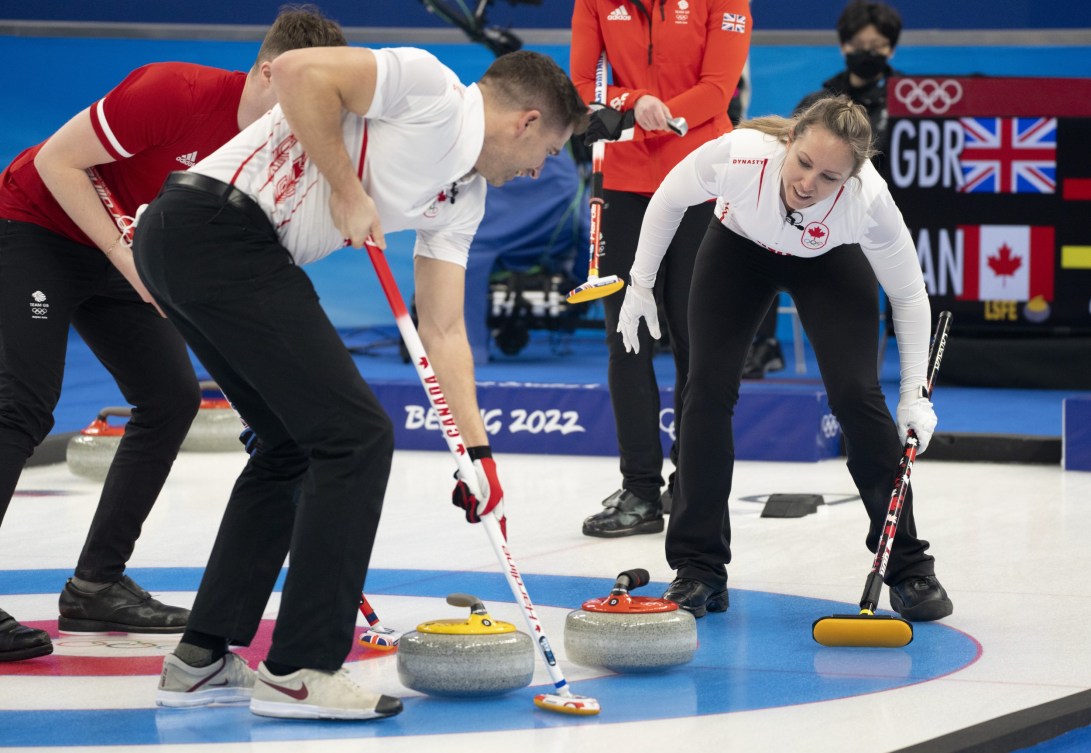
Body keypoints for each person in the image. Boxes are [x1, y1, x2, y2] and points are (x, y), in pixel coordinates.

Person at [135, 46, 585, 719]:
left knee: (291, 444)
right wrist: (349, 192)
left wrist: (478, 452)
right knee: (357, 437)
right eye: (549, 150)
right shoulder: (430, 88)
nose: (538, 169)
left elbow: (443, 329)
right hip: (210, 227)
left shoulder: (465, 195)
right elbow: (295, 73)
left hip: (203, 248)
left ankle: (200, 657)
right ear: (525, 121)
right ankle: (300, 670)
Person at [0, 5, 346, 663]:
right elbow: (56, 164)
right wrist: (130, 260)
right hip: (35, 226)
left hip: (125, 250)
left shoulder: (275, 148)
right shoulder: (172, 90)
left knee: (170, 398)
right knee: (22, 404)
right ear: (270, 72)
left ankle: (96, 583)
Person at [615, 95, 952, 622]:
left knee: (858, 398)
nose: (808, 184)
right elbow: (667, 199)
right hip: (739, 250)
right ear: (789, 142)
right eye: (804, 163)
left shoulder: (867, 201)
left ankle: (910, 568)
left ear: (851, 178)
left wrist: (915, 395)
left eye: (829, 178)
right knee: (705, 391)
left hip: (828, 261)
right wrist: (640, 284)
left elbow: (909, 296)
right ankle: (699, 569)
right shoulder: (741, 154)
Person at [571, 0, 751, 538]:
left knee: (695, 338)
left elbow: (719, 90)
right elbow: (584, 83)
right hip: (624, 185)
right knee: (625, 336)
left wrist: (662, 114)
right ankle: (641, 489)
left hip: (701, 176)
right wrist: (633, 102)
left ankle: (692, 482)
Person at [742, 1, 904, 379]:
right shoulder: (817, 105)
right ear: (844, 46)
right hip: (816, 213)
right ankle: (762, 345)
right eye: (859, 43)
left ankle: (877, 354)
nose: (868, 52)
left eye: (878, 45)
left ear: (891, 49)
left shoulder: (908, 102)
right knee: (758, 233)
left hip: (881, 217)